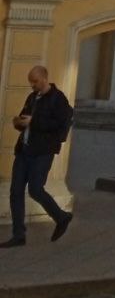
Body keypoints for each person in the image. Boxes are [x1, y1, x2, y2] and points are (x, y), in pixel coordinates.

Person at [2, 65, 74, 248]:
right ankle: (19, 235)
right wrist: (18, 122)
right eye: (30, 82)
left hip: (42, 152)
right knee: (15, 191)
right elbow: (23, 118)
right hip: (24, 150)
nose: (32, 85)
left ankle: (61, 217)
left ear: (44, 78)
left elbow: (59, 125)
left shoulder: (58, 99)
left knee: (35, 188)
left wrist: (33, 121)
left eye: (34, 81)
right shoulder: (32, 98)